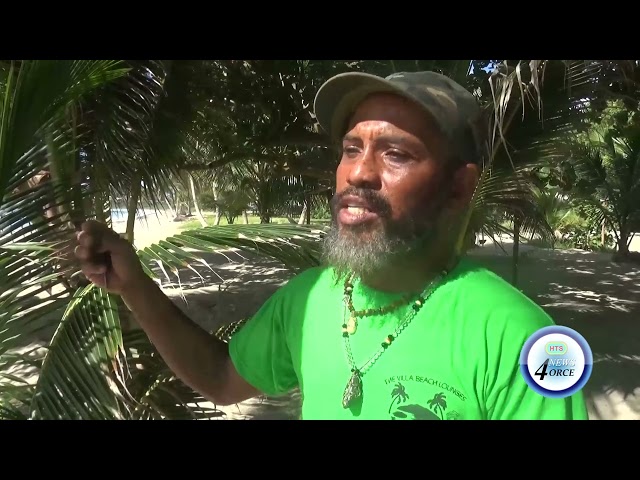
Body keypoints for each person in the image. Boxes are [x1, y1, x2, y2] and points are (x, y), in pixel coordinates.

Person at [75, 70, 590, 420]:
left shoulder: (518, 336)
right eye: (351, 148)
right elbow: (221, 377)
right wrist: (136, 286)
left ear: (459, 188)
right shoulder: (309, 298)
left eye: (397, 154)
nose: (360, 173)